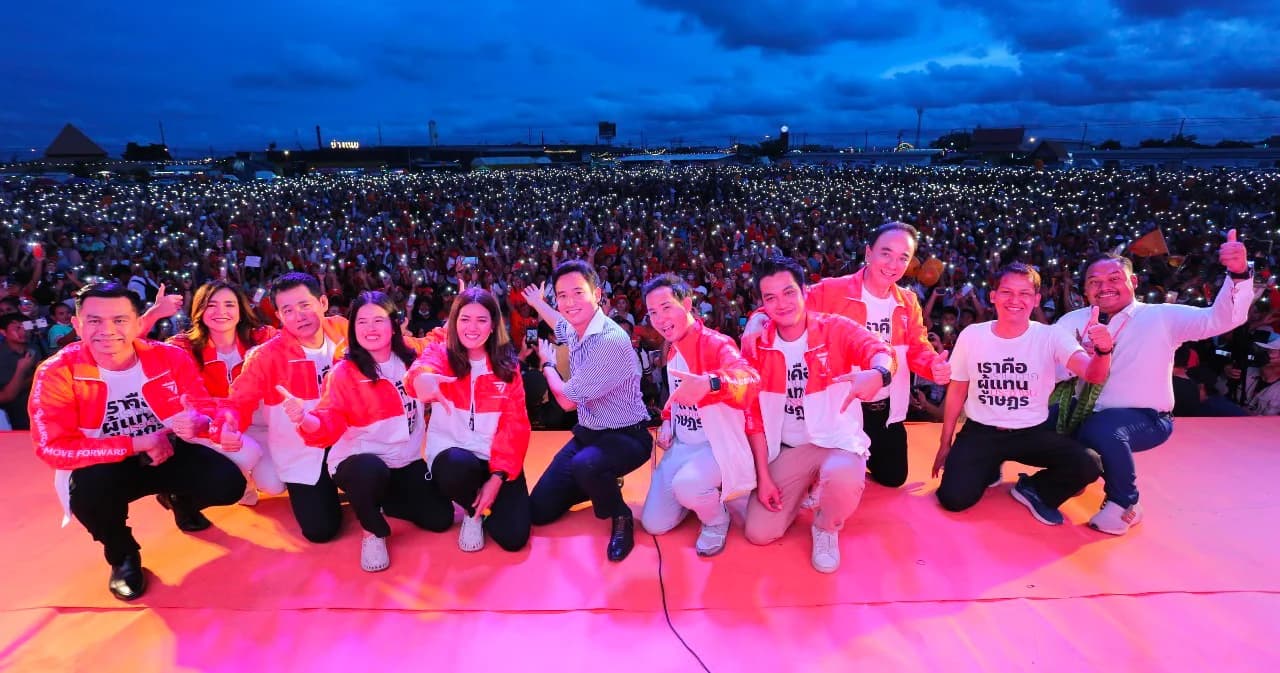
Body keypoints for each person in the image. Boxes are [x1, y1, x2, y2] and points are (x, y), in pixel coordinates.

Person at [28, 282, 245, 600]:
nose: (107, 330)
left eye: (119, 320)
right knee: (87, 495)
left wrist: (202, 423)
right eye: (94, 321)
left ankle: (179, 500)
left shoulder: (170, 356)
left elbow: (202, 408)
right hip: (105, 461)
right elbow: (52, 447)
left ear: (136, 322)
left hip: (170, 448)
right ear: (76, 325)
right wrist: (135, 444)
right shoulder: (57, 372)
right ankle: (123, 556)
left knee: (228, 484)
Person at [1054, 230, 1256, 535]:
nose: (1104, 287)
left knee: (1103, 428)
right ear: (1085, 290)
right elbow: (1054, 366)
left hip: (1146, 419)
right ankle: (1059, 481)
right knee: (1036, 419)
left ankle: (1125, 504)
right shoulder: (1072, 321)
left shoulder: (1162, 317)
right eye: (1095, 282)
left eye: (1113, 279)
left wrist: (1238, 274)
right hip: (1082, 412)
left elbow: (1220, 320)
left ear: (1133, 282)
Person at [743, 222, 949, 487]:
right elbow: (787, 303)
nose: (893, 264)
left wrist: (934, 366)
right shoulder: (833, 290)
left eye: (903, 258)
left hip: (884, 407)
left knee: (894, 477)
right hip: (841, 405)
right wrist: (756, 320)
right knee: (835, 475)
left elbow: (918, 346)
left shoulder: (908, 302)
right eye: (885, 253)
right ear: (868, 253)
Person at [742, 257, 895, 573]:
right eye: (770, 298)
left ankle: (826, 528)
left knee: (843, 476)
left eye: (788, 293)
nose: (781, 304)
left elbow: (881, 351)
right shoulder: (757, 344)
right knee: (759, 533)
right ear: (762, 303)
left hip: (835, 439)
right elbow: (753, 415)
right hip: (791, 448)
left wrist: (878, 374)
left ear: (804, 291)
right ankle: (806, 488)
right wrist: (764, 477)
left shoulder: (835, 328)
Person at [933, 264, 1108, 526]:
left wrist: (1103, 351)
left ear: (1036, 299)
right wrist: (945, 443)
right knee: (953, 499)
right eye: (1006, 292)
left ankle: (1034, 489)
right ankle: (989, 467)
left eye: (1025, 293)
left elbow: (1092, 374)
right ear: (992, 296)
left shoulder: (1051, 336)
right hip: (982, 431)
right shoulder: (972, 335)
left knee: (1089, 464)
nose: (1015, 300)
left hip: (1031, 432)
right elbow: (958, 389)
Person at [289, 291, 455, 571]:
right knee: (369, 471)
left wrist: (460, 306)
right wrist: (305, 419)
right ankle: (371, 529)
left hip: (404, 461)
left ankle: (383, 498)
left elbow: (437, 340)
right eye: (362, 322)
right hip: (359, 461)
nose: (370, 328)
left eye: (378, 320)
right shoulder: (344, 372)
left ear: (394, 324)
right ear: (353, 328)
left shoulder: (410, 358)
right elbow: (328, 420)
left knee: (441, 518)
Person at [520, 260, 653, 562]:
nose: (569, 302)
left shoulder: (608, 340)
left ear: (597, 293)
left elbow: (567, 401)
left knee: (586, 465)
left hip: (626, 437)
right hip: (588, 435)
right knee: (539, 511)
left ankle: (619, 515)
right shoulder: (578, 326)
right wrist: (538, 302)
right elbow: (559, 323)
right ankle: (600, 481)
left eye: (578, 293)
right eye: (562, 295)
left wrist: (548, 364)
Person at [221, 272, 351, 543]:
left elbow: (397, 345)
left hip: (351, 440)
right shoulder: (265, 356)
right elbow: (238, 401)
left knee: (376, 487)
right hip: (302, 450)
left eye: (305, 305)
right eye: (288, 310)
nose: (299, 316)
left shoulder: (344, 331)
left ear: (323, 303)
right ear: (279, 316)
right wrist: (229, 425)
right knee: (321, 531)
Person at [639, 274, 759, 557]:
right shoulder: (671, 346)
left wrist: (712, 383)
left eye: (666, 307)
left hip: (715, 446)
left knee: (687, 485)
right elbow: (677, 393)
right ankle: (696, 495)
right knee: (654, 524)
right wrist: (668, 419)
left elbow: (750, 380)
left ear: (688, 304)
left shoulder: (716, 343)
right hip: (683, 445)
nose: (659, 318)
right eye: (653, 312)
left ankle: (716, 518)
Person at [406, 287, 533, 553]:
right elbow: (420, 371)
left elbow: (515, 426)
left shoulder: (509, 368)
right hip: (455, 455)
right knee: (455, 467)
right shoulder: (441, 354)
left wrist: (498, 477)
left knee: (513, 538)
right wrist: (422, 380)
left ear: (493, 325)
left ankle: (483, 499)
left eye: (481, 320)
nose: (472, 327)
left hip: (495, 458)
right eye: (465, 319)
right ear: (454, 322)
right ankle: (472, 512)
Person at [168, 281, 283, 504]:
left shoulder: (262, 338)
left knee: (274, 485)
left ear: (241, 310)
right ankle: (181, 494)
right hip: (209, 424)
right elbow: (137, 349)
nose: (221, 312)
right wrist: (153, 316)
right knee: (247, 455)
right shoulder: (182, 347)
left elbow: (300, 338)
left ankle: (244, 477)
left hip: (255, 422)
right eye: (212, 305)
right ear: (199, 310)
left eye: (229, 304)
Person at [0, 314, 47, 430]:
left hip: (44, 412)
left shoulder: (35, 348)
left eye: (26, 327)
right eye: (17, 328)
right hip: (18, 418)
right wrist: (32, 372)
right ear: (3, 332)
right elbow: (8, 395)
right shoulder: (2, 356)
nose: (23, 331)